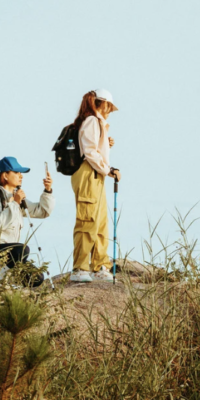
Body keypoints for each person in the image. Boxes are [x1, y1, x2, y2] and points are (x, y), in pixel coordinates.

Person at [0, 157, 55, 286]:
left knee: (37, 277)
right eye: (16, 172)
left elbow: (42, 211)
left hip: (9, 253)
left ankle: (5, 282)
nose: (21, 176)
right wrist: (15, 203)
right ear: (5, 175)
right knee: (22, 250)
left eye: (21, 173)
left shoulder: (15, 196)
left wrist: (47, 190)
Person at [70, 89, 119, 283]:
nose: (110, 111)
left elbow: (94, 148)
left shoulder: (96, 122)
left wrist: (106, 144)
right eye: (109, 107)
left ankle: (99, 266)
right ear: (103, 104)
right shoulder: (92, 121)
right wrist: (108, 170)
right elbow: (89, 152)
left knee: (100, 222)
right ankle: (80, 268)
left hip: (95, 173)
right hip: (88, 172)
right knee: (87, 220)